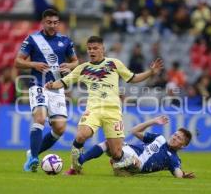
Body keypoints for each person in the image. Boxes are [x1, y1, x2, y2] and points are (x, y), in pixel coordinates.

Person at [45, 36, 163, 174]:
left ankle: (133, 162)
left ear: (103, 49)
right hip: (93, 110)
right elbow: (64, 82)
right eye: (89, 49)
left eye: (95, 48)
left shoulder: (114, 63)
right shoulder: (82, 68)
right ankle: (75, 168)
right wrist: (52, 85)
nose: (92, 51)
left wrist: (151, 72)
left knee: (117, 154)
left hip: (113, 112)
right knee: (81, 135)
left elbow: (133, 78)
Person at [14, 8, 79, 172]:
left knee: (60, 128)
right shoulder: (33, 39)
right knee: (40, 118)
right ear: (43, 22)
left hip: (57, 88)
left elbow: (75, 62)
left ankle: (32, 152)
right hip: (39, 85)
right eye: (49, 22)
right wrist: (33, 64)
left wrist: (69, 66)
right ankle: (33, 161)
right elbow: (18, 62)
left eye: (55, 22)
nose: (52, 25)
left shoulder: (65, 41)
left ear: (59, 23)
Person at [76, 115, 195, 178]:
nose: (175, 137)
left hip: (138, 164)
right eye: (175, 134)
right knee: (108, 143)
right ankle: (82, 160)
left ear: (183, 146)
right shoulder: (160, 138)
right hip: (130, 150)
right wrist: (153, 121)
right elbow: (134, 131)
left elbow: (178, 174)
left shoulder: (173, 159)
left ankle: (120, 165)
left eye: (179, 138)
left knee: (136, 161)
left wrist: (184, 175)